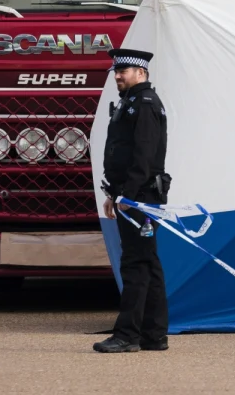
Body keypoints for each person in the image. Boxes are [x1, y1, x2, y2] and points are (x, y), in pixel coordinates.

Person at [93, 47, 170, 353]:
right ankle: (154, 335)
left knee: (136, 264)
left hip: (140, 197)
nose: (118, 77)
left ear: (141, 73)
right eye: (116, 72)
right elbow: (123, 152)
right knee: (147, 263)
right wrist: (114, 193)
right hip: (131, 194)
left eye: (124, 71)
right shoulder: (131, 102)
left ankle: (128, 335)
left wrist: (129, 194)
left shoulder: (146, 104)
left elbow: (144, 154)